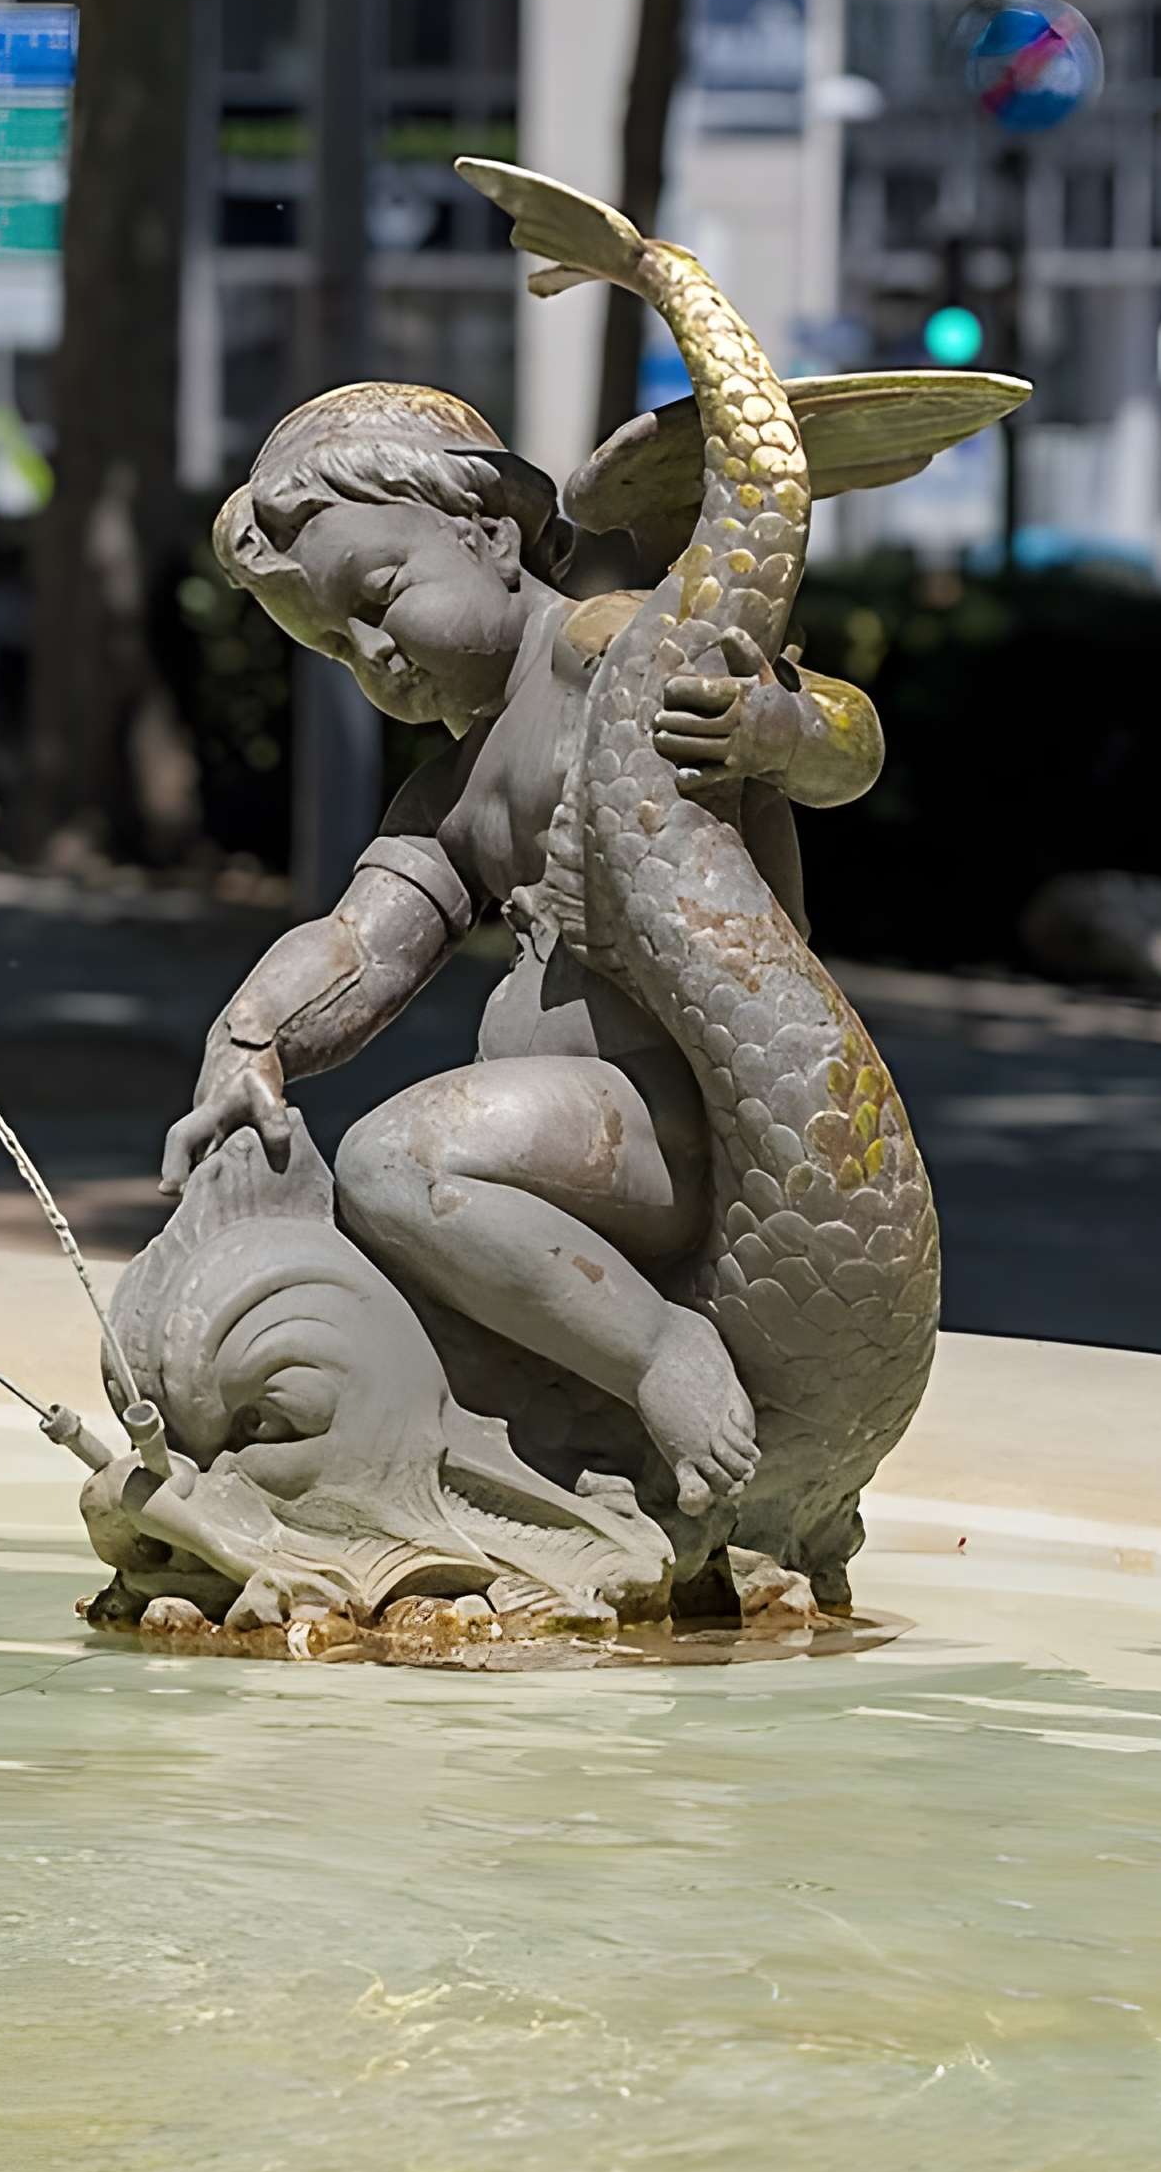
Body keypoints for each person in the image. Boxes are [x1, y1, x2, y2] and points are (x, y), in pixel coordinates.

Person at [158, 383, 884, 1518]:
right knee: (372, 1223)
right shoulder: (451, 791)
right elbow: (363, 943)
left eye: (381, 596)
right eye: (335, 646)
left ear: (489, 534)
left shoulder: (610, 653)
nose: (372, 652)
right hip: (561, 1151)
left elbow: (845, 732)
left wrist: (773, 727)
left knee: (397, 1164)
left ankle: (660, 1354)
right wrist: (250, 1040)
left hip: (680, 1120)